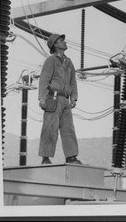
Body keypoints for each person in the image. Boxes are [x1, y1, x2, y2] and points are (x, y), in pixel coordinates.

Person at [38, 33, 82, 165]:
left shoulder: (68, 62)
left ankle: (71, 157)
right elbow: (44, 79)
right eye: (62, 41)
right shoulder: (50, 60)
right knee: (50, 128)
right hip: (53, 98)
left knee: (68, 129)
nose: (65, 42)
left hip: (65, 100)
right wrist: (42, 98)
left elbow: (73, 81)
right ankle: (45, 158)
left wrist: (74, 97)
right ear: (56, 45)